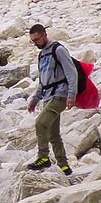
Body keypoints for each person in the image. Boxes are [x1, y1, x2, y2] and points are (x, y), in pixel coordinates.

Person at [26, 23, 78, 175]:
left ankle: (43, 157)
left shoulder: (58, 50)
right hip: (48, 96)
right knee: (53, 133)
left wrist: (71, 95)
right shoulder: (42, 55)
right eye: (33, 41)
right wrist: (35, 99)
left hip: (60, 95)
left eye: (37, 40)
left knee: (40, 124)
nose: (36, 43)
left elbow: (71, 73)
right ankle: (64, 166)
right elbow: (43, 80)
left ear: (45, 35)